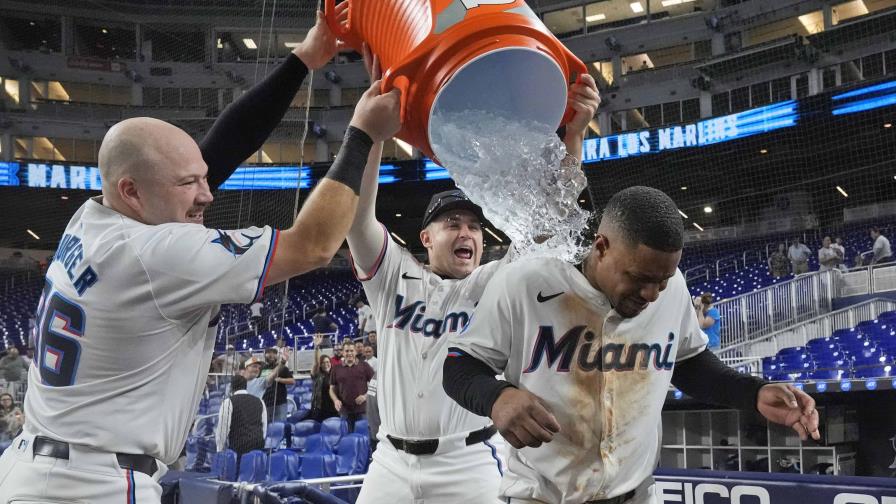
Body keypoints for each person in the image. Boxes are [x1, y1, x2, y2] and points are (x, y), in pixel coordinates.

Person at [0, 11, 402, 503]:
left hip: (34, 469)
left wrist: (303, 59)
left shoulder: (92, 218)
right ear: (132, 191)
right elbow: (314, 245)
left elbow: (218, 151)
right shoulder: (157, 253)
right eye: (189, 183)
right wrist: (361, 133)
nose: (208, 194)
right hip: (90, 487)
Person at [443, 186, 820, 504]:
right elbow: (459, 365)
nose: (652, 294)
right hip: (543, 497)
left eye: (663, 280)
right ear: (601, 246)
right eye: (640, 278)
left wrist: (752, 392)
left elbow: (687, 361)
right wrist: (496, 397)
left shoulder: (671, 291)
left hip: (635, 494)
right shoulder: (525, 283)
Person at [345, 43, 600, 503]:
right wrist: (372, 132)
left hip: (469, 463)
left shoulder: (494, 282)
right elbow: (358, 216)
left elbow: (551, 225)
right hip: (390, 463)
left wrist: (574, 136)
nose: (468, 233)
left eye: (475, 226)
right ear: (426, 238)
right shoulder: (391, 278)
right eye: (453, 224)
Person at [215, 375, 267, 458]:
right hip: (258, 445)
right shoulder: (260, 401)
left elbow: (223, 429)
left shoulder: (228, 402)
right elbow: (264, 427)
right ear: (245, 386)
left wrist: (219, 449)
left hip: (238, 448)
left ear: (231, 387)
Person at [329, 340, 374, 432]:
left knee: (363, 439)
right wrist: (335, 400)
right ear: (342, 352)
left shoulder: (364, 366)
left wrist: (365, 396)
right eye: (347, 351)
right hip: (344, 411)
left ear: (356, 352)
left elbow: (375, 384)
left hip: (362, 410)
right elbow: (331, 389)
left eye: (351, 350)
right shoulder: (336, 368)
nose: (349, 353)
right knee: (347, 440)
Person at [302, 335, 339, 423]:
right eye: (323, 362)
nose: (326, 364)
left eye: (328, 362)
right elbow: (316, 363)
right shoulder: (317, 375)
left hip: (333, 409)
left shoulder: (335, 374)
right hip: (319, 409)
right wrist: (317, 347)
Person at [261, 347, 295, 422]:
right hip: (265, 403)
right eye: (269, 354)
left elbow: (292, 381)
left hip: (280, 403)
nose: (272, 356)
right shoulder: (262, 369)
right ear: (265, 355)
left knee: (280, 427)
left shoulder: (283, 368)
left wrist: (280, 379)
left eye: (274, 354)